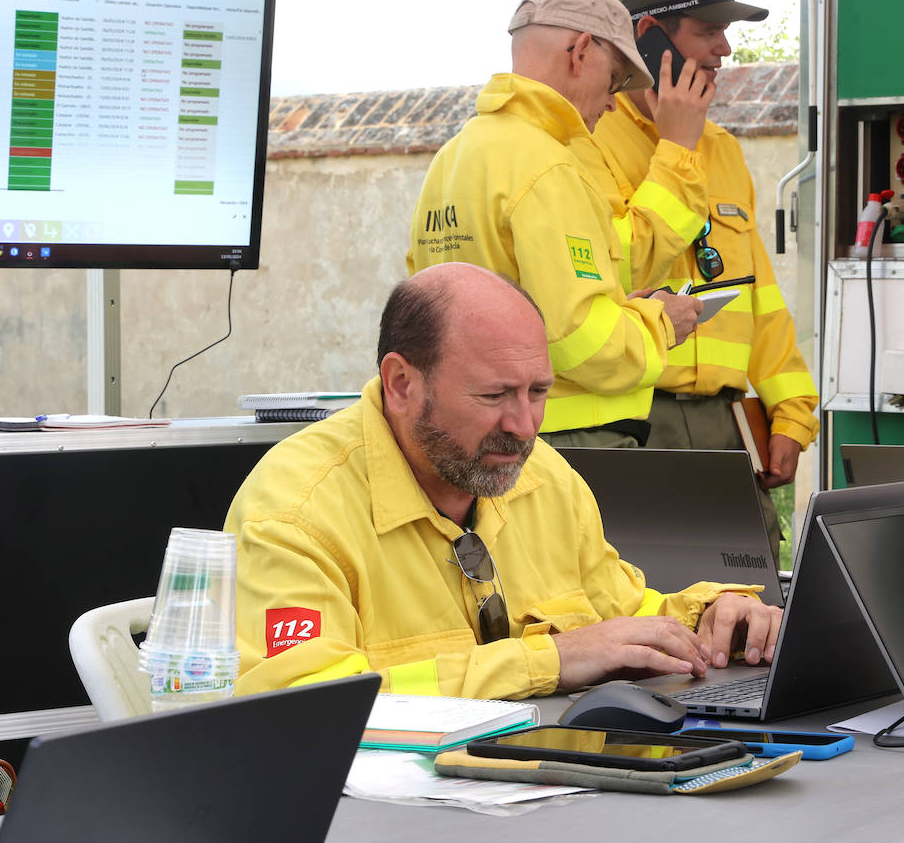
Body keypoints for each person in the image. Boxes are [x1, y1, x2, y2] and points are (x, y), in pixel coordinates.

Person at [228, 263, 781, 699]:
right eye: (494, 395)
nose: (523, 426)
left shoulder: (545, 478)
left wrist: (711, 618)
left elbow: (619, 613)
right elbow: (305, 702)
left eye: (538, 392)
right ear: (400, 383)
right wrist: (550, 661)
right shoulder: (294, 511)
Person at [406, 0, 709, 450]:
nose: (612, 103)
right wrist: (661, 322)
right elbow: (580, 340)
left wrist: (623, 306)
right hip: (569, 438)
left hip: (472, 436)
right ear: (580, 51)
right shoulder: (549, 165)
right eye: (613, 80)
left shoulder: (453, 157)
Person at [584, 0, 820, 555]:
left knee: (753, 593)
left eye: (726, 33)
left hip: (725, 426)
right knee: (643, 593)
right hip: (631, 418)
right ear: (649, 35)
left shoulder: (725, 150)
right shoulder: (587, 142)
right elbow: (619, 269)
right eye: (709, 31)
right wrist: (677, 147)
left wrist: (791, 410)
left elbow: (759, 297)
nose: (724, 50)